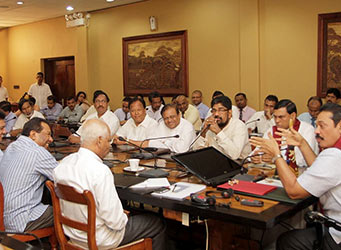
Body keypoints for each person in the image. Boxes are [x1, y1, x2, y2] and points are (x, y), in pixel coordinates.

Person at [250, 103, 341, 250]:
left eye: (322, 126)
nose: (316, 131)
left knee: (287, 240)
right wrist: (302, 143)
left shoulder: (335, 155)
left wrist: (276, 155)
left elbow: (294, 191)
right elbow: (322, 168)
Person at [53, 119, 166, 249]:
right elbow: (116, 223)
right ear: (99, 140)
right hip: (101, 239)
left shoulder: (63, 164)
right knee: (157, 222)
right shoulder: (100, 171)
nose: (110, 145)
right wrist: (123, 216)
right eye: (108, 141)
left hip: (74, 235)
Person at [0, 118, 58, 232]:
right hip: (21, 220)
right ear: (33, 135)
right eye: (48, 134)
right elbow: (64, 176)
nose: (51, 139)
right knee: (64, 211)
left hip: (3, 218)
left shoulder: (11, 146)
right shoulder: (37, 152)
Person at [254, 99, 318, 176]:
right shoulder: (271, 130)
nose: (277, 121)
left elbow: (302, 161)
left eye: (281, 117)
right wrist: (257, 156)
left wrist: (275, 158)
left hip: (300, 175)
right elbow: (258, 150)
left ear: (292, 116)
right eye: (275, 117)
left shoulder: (307, 129)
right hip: (274, 174)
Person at [194, 96, 251, 160]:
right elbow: (195, 150)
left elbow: (235, 155)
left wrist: (218, 132)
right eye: (214, 110)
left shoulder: (239, 126)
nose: (216, 114)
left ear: (229, 113)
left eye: (221, 110)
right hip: (216, 162)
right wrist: (203, 133)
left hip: (238, 164)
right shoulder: (210, 125)